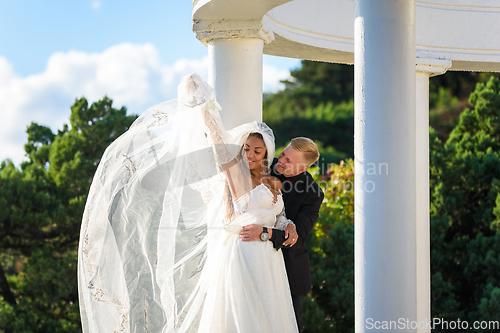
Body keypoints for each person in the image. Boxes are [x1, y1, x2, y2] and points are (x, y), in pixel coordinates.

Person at [78, 73, 299, 332]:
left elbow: (278, 216)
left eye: (257, 151)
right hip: (244, 254)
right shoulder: (235, 176)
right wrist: (204, 108)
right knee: (244, 318)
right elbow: (219, 143)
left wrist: (290, 224)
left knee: (270, 318)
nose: (250, 154)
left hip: (270, 260)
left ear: (266, 154)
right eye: (246, 148)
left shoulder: (274, 184)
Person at [239, 137, 324, 329]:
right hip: (251, 259)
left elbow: (298, 238)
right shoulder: (265, 163)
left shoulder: (313, 194)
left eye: (288, 161)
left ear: (302, 169)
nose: (281, 161)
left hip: (288, 269)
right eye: (283, 154)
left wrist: (265, 233)